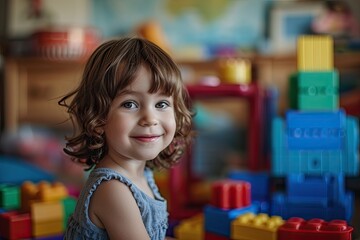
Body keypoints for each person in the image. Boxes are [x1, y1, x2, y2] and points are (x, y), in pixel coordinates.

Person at [59, 37, 193, 240]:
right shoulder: (113, 190)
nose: (150, 119)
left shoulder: (142, 173)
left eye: (161, 104)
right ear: (99, 117)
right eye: (130, 104)